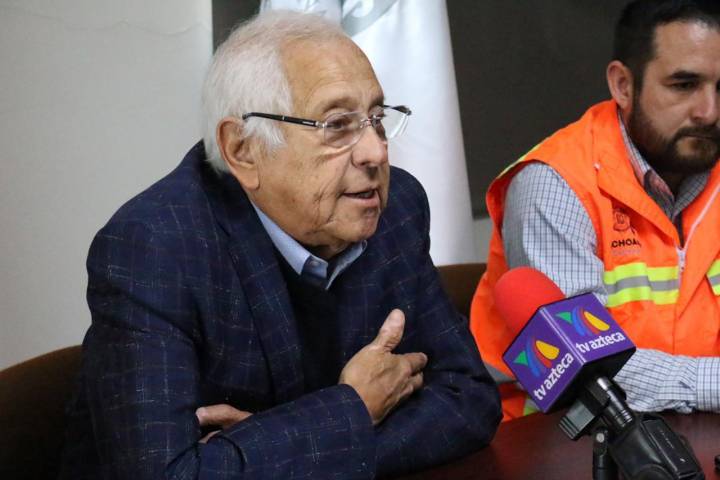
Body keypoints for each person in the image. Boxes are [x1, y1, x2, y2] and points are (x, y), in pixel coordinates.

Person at [59, 10, 501, 479]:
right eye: (337, 125)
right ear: (243, 150)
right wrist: (352, 407)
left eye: (375, 118)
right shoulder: (155, 248)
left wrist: (279, 449)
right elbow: (165, 475)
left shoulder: (396, 208)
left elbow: (469, 397)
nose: (375, 151)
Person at [470, 0, 720, 421]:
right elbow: (591, 374)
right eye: (683, 85)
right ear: (623, 85)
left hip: (692, 425)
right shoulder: (555, 185)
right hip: (554, 436)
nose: (709, 112)